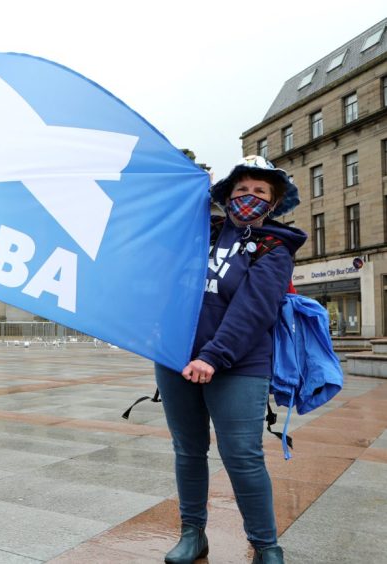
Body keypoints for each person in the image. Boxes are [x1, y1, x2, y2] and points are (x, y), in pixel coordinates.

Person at [157, 156, 305, 564]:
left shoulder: (275, 247)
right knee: (188, 450)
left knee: (242, 454)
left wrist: (213, 356)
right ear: (227, 194)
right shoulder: (201, 235)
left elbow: (254, 309)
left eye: (261, 192)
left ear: (273, 203)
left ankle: (265, 545)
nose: (250, 197)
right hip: (176, 361)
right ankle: (193, 532)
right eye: (242, 189)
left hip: (236, 365)